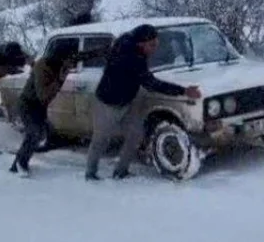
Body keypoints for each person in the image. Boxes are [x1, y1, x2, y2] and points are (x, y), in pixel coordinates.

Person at [85, 24, 201, 181]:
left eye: (157, 44)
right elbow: (151, 84)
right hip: (107, 103)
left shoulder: (130, 45)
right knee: (101, 140)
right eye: (152, 45)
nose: (155, 49)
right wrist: (184, 91)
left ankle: (121, 172)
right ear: (141, 43)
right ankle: (90, 174)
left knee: (135, 135)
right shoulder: (130, 57)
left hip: (127, 101)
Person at [9, 41, 107, 177]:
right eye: (68, 59)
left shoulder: (63, 61)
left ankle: (21, 161)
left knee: (39, 134)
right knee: (34, 133)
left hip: (40, 106)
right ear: (59, 58)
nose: (71, 62)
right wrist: (59, 80)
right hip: (28, 104)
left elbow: (82, 55)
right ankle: (19, 164)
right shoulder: (42, 68)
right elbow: (44, 96)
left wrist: (102, 50)